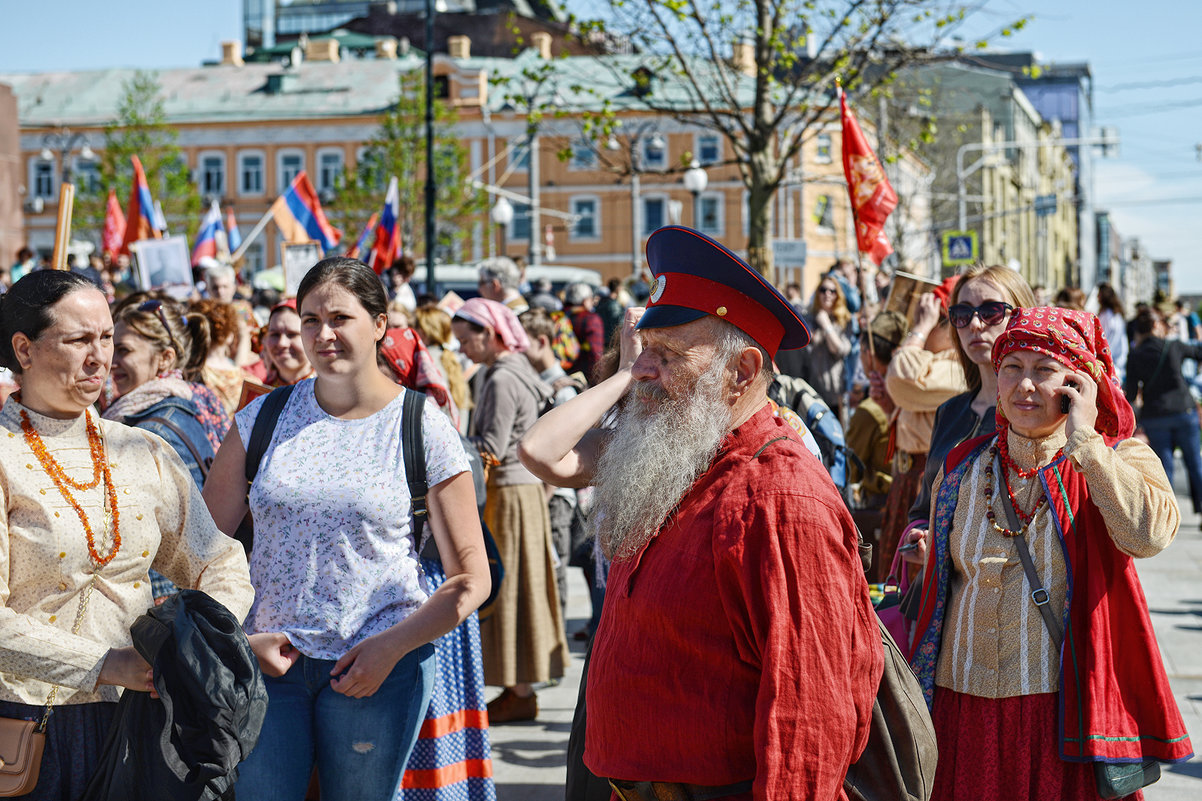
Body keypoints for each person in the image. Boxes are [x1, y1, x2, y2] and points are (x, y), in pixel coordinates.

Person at [519, 226, 882, 799]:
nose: (642, 371)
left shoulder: (781, 495)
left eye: (666, 356)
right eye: (644, 353)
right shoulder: (674, 452)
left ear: (741, 372)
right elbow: (542, 452)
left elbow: (812, 710)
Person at [202, 257, 490, 801]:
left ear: (380, 323)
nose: (323, 334)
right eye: (310, 319)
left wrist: (392, 647)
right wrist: (238, 637)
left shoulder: (420, 423)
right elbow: (202, 550)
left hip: (377, 672)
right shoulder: (261, 419)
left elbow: (471, 578)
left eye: (340, 318)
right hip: (270, 667)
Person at [908, 307, 1193, 800]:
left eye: (1044, 370)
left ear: (1078, 384)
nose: (1024, 385)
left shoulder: (1118, 458)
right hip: (962, 713)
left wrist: (1085, 439)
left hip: (1060, 718)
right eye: (1012, 367)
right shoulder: (962, 469)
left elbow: (1148, 535)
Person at [0, 270, 253, 801]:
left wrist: (200, 643)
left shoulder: (142, 450)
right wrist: (108, 663)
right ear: (24, 349)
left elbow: (219, 561)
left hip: (143, 722)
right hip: (26, 728)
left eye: (107, 337)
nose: (100, 357)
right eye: (78, 340)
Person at [451, 298, 567, 723]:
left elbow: (491, 451)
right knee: (521, 588)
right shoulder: (514, 369)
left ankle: (519, 690)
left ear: (488, 334)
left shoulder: (501, 378)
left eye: (467, 340)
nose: (463, 349)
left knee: (510, 591)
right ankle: (519, 688)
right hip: (522, 492)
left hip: (509, 493)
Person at [898, 265, 1035, 569]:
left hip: (1011, 590)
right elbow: (923, 509)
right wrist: (921, 536)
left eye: (991, 311)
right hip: (948, 600)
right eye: (962, 314)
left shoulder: (1036, 409)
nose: (974, 324)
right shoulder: (950, 411)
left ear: (1021, 315)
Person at [877, 279, 966, 580]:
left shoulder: (958, 365)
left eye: (934, 320)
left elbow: (903, 380)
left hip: (928, 483)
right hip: (908, 479)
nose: (924, 327)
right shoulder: (929, 361)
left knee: (917, 581)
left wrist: (919, 328)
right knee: (898, 575)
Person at [1124, 308, 1202, 517]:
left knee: (1164, 469)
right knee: (1195, 465)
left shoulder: (1136, 355)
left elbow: (1130, 393)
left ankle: (1169, 518)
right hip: (1184, 411)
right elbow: (1199, 352)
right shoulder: (1174, 346)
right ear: (1157, 325)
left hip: (1155, 415)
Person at [845, 310, 907, 548]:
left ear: (869, 353)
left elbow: (853, 467)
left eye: (861, 350)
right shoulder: (911, 397)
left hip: (883, 505)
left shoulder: (869, 411)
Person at [799, 274, 853, 416]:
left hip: (835, 389)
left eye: (832, 291)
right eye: (823, 290)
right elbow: (808, 342)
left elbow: (839, 349)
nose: (827, 294)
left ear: (838, 295)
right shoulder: (808, 317)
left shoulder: (844, 320)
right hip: (812, 386)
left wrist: (826, 325)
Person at [245, 299, 314, 388]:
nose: (282, 343)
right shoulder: (259, 396)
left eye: (292, 334)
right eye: (275, 334)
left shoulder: (329, 395)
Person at [564, 282, 604, 384]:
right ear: (585, 301)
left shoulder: (558, 317)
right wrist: (598, 379)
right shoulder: (591, 319)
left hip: (560, 374)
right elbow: (595, 352)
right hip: (583, 376)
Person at [1095, 282, 1128, 381]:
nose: (1097, 297)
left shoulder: (1107, 316)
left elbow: (1105, 340)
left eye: (1099, 294)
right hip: (1118, 362)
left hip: (1111, 364)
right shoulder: (1116, 314)